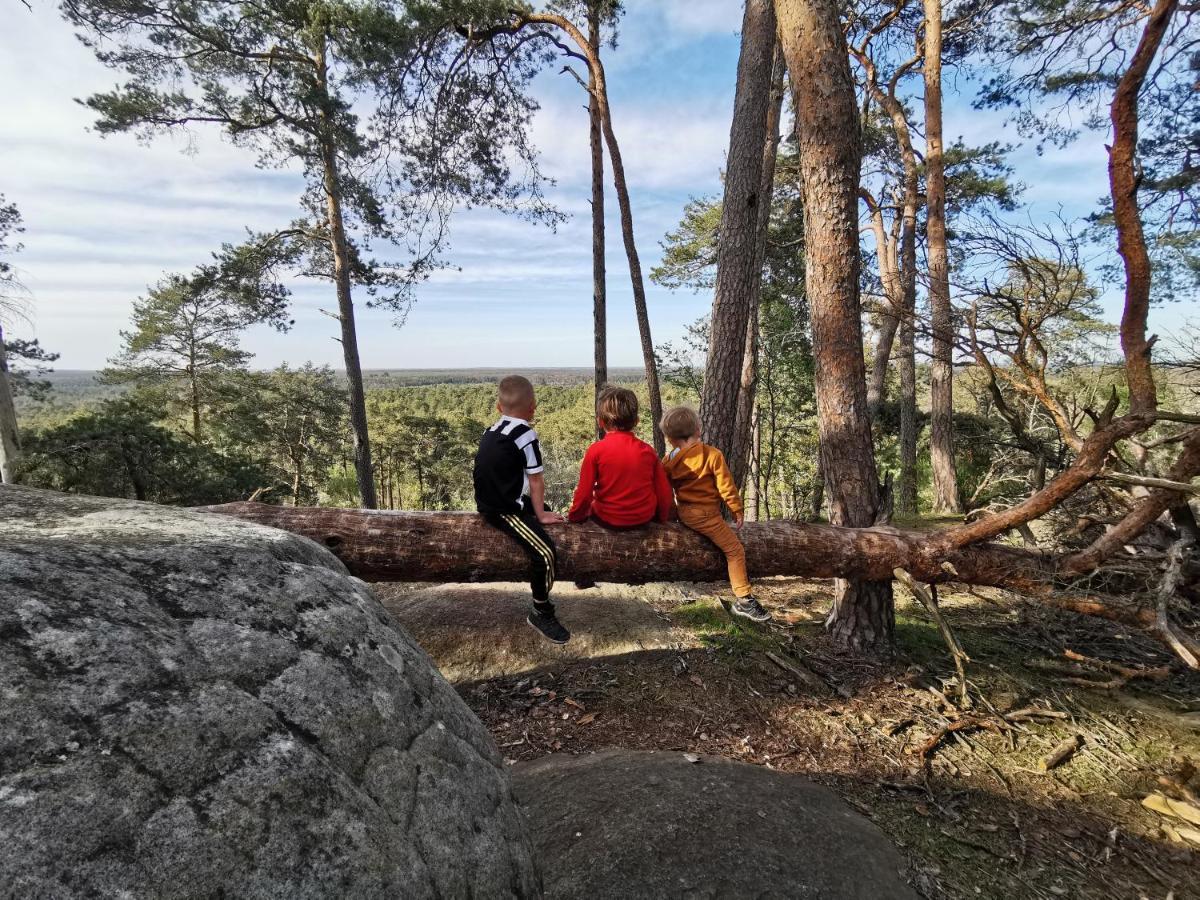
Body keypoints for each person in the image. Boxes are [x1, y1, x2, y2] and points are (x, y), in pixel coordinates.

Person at [473, 375, 570, 644]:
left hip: (491, 499)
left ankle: (539, 515)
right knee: (546, 553)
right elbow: (536, 479)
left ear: (498, 407)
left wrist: (542, 511)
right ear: (532, 408)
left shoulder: (492, 429)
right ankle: (541, 610)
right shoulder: (526, 434)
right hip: (502, 509)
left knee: (546, 509)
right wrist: (540, 516)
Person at [660, 405, 770, 622]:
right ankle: (744, 599)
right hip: (707, 516)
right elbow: (726, 486)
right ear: (698, 430)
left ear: (670, 439)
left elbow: (664, 489)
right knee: (735, 550)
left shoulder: (668, 461)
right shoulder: (712, 455)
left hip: (685, 514)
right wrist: (736, 509)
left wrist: (670, 514)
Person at [567, 385, 675, 528]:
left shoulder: (596, 450)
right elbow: (665, 494)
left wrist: (574, 518)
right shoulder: (648, 451)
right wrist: (662, 519)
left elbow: (584, 494)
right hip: (643, 520)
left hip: (607, 519)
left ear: (600, 422)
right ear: (636, 421)